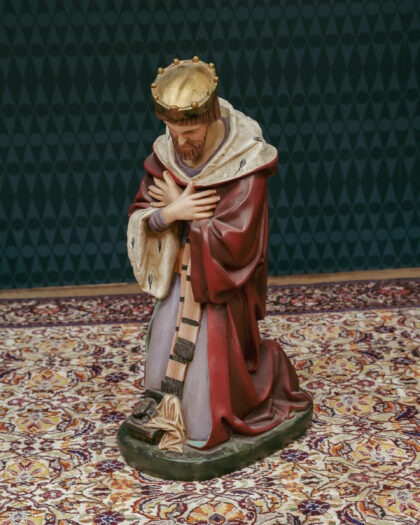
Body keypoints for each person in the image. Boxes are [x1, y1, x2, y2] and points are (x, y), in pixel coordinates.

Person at [126, 57, 311, 452]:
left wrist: (190, 217)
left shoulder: (244, 160)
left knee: (204, 393)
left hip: (219, 294)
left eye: (189, 132)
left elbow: (238, 241)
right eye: (173, 131)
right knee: (161, 350)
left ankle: (197, 423)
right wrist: (171, 213)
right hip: (178, 283)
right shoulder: (168, 155)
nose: (180, 143)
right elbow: (144, 213)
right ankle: (161, 410)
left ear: (209, 120)